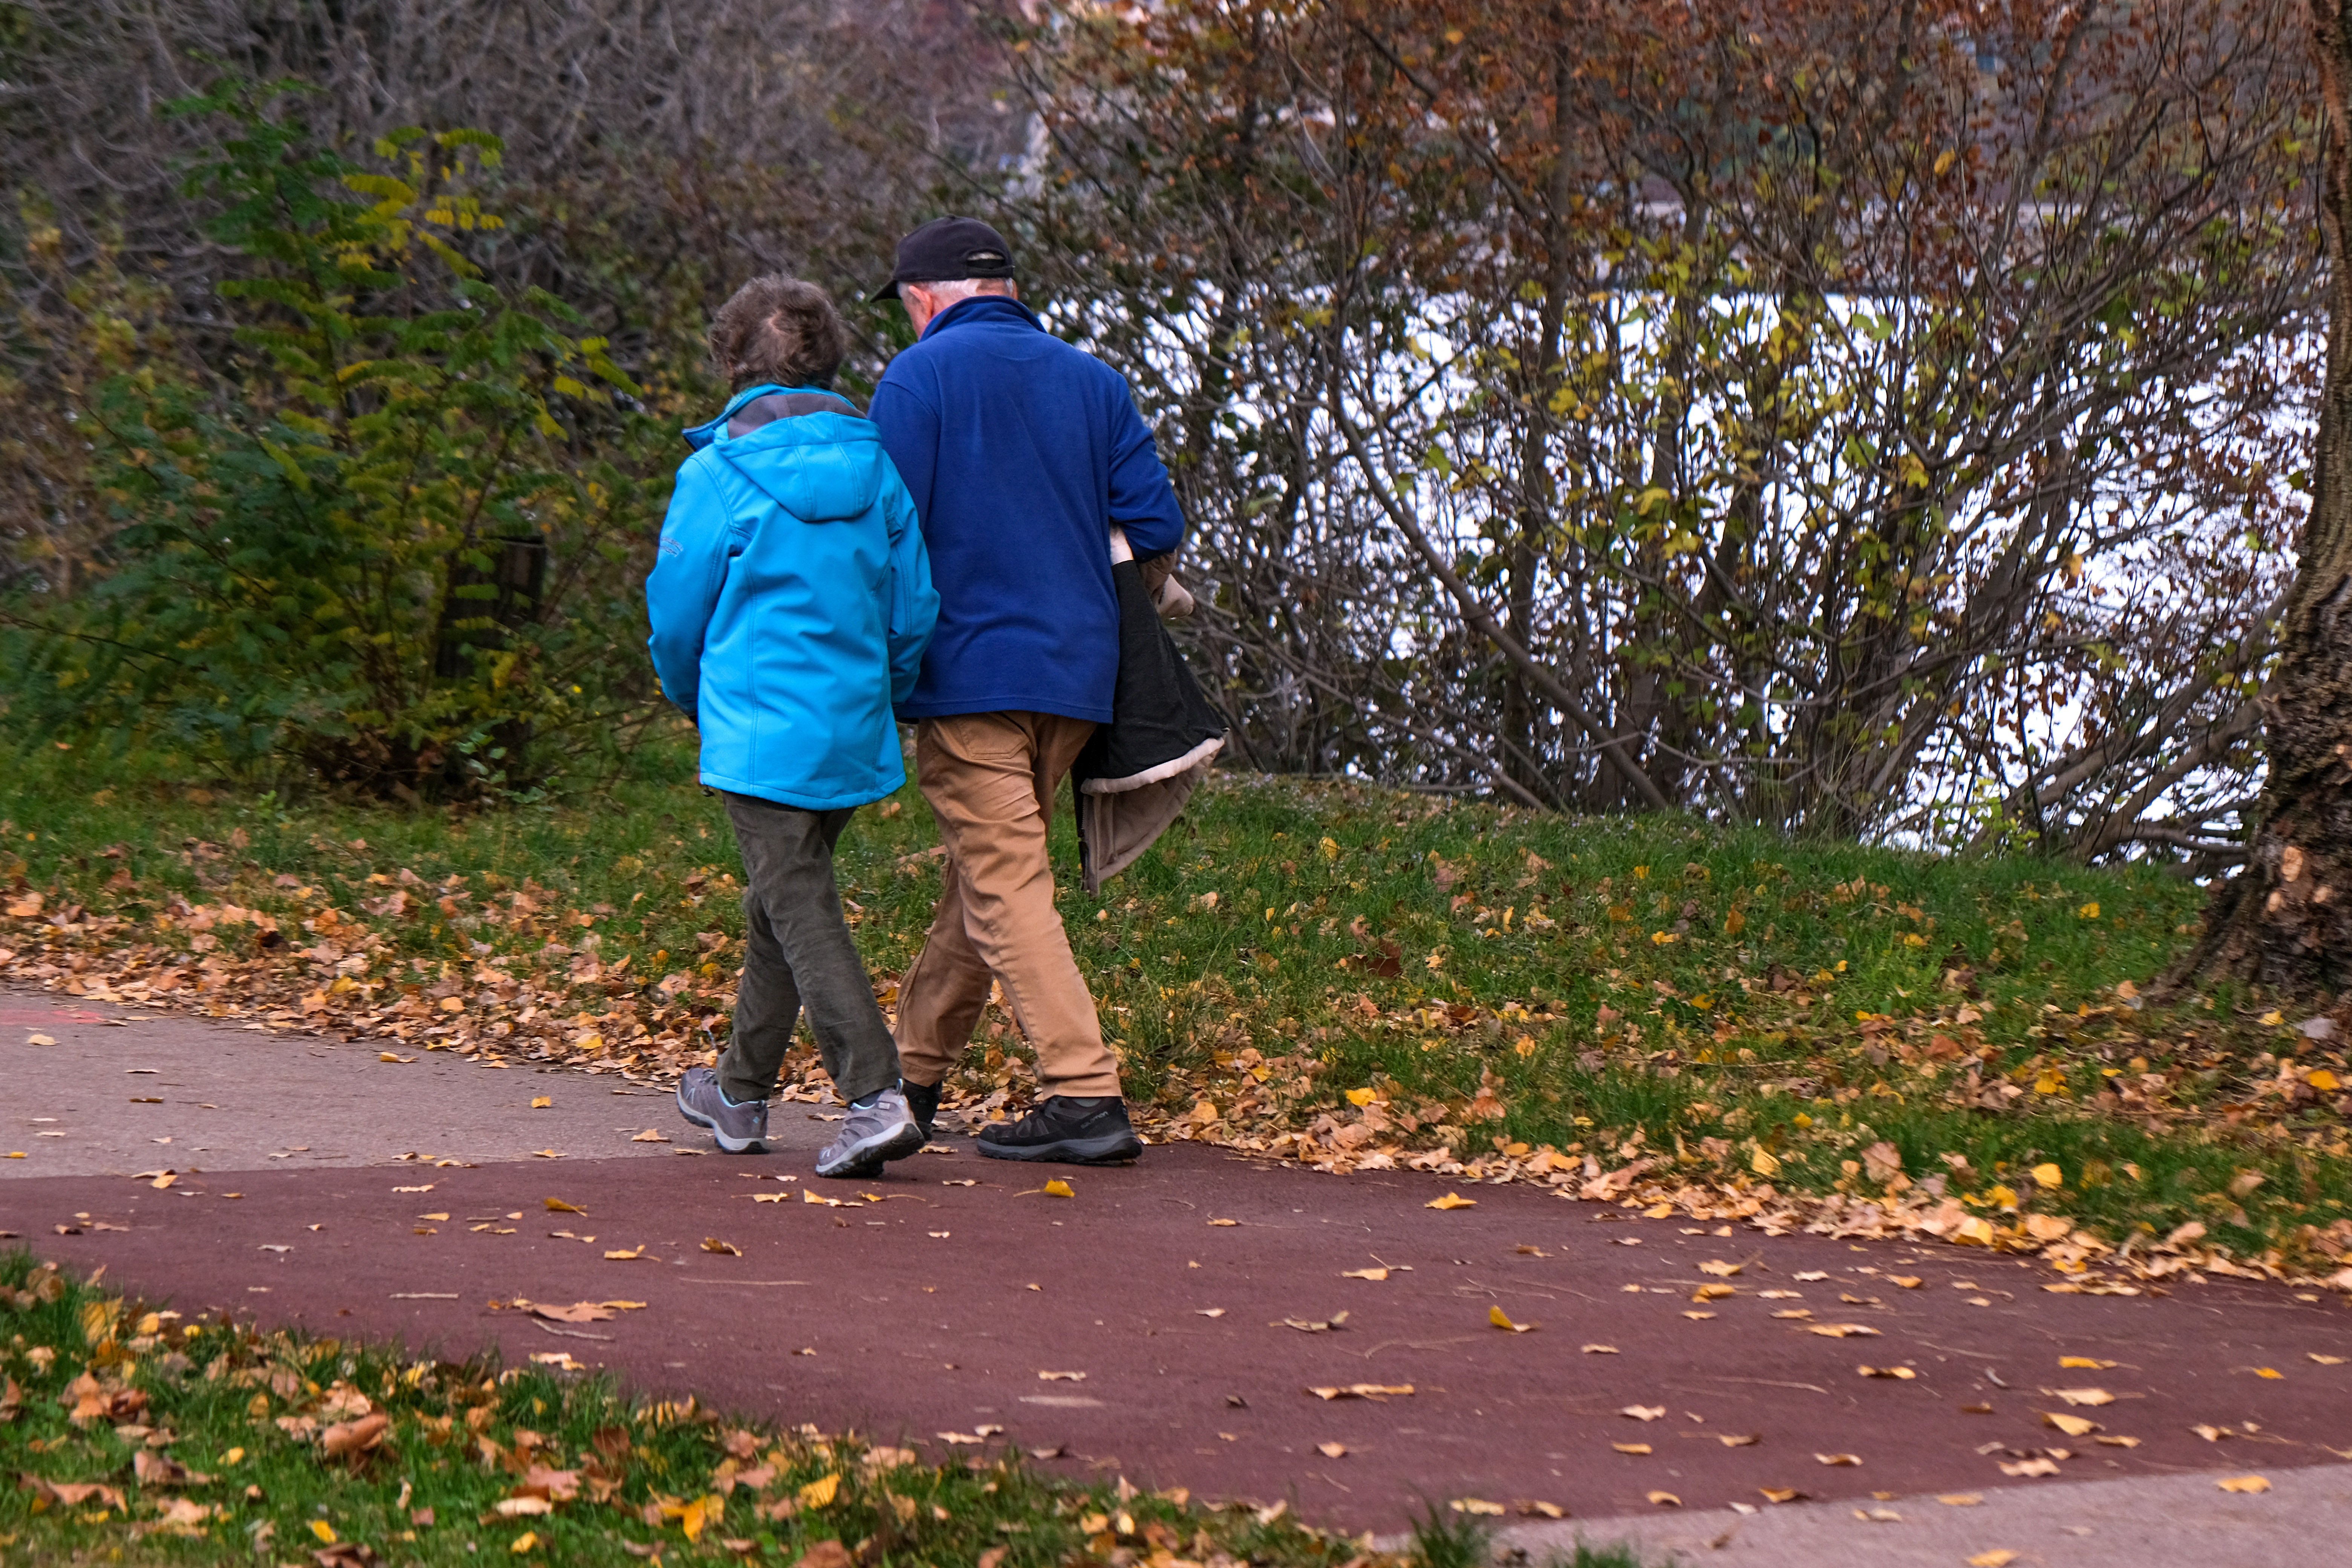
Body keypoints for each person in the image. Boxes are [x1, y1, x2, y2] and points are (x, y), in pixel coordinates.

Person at [868, 216, 1185, 1164]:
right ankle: (910, 1083)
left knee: (1005, 880)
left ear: (922, 299)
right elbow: (1155, 523)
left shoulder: (918, 377)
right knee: (984, 878)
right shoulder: (1093, 382)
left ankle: (1084, 1092)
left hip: (970, 675)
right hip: (1079, 678)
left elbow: (888, 529)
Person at [645, 275, 940, 1178]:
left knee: (800, 905)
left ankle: (875, 1094)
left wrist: (693, 695)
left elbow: (678, 614)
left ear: (734, 365)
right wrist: (886, 693)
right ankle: (738, 1092)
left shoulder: (716, 474)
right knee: (780, 899)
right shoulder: (876, 468)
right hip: (851, 724)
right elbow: (912, 608)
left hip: (757, 732)